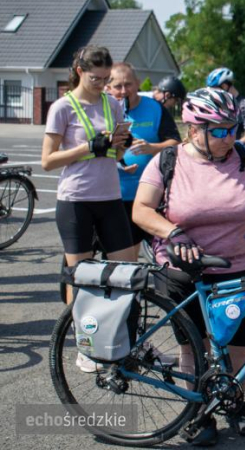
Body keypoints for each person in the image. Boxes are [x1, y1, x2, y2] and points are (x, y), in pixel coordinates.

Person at [133, 87, 245, 445]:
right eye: (217, 130)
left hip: (237, 267)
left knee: (241, 348)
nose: (227, 136)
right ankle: (198, 414)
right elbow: (141, 209)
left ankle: (233, 402)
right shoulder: (168, 161)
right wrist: (173, 233)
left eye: (232, 127)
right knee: (195, 350)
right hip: (182, 270)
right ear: (192, 130)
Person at [42, 46, 136, 373]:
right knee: (81, 278)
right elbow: (48, 161)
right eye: (96, 78)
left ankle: (126, 339)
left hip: (109, 197)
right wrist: (87, 146)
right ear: (80, 71)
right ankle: (84, 344)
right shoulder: (62, 108)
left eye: (106, 79)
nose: (101, 84)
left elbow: (116, 150)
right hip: (75, 200)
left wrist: (122, 143)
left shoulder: (112, 103)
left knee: (126, 273)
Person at [107, 62, 182, 259]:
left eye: (129, 84)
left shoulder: (154, 108)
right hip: (113, 195)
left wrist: (152, 148)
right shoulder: (103, 110)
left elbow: (176, 143)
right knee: (123, 256)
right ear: (108, 87)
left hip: (151, 194)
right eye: (118, 86)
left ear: (138, 83)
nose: (124, 91)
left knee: (165, 254)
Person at [206, 67, 245, 144]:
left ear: (225, 86)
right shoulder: (219, 103)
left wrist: (229, 147)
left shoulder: (244, 105)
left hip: (233, 151)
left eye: (215, 90)